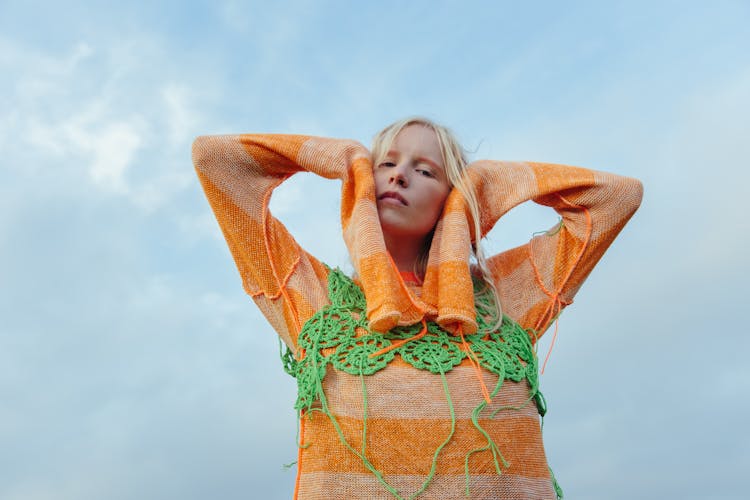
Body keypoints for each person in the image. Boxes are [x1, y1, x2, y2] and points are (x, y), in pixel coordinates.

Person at [192, 117, 643, 499]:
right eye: (385, 163)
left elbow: (616, 198)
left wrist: (484, 185)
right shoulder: (311, 296)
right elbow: (217, 161)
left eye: (426, 171)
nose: (397, 175)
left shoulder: (504, 298)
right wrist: (346, 159)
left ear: (455, 199)